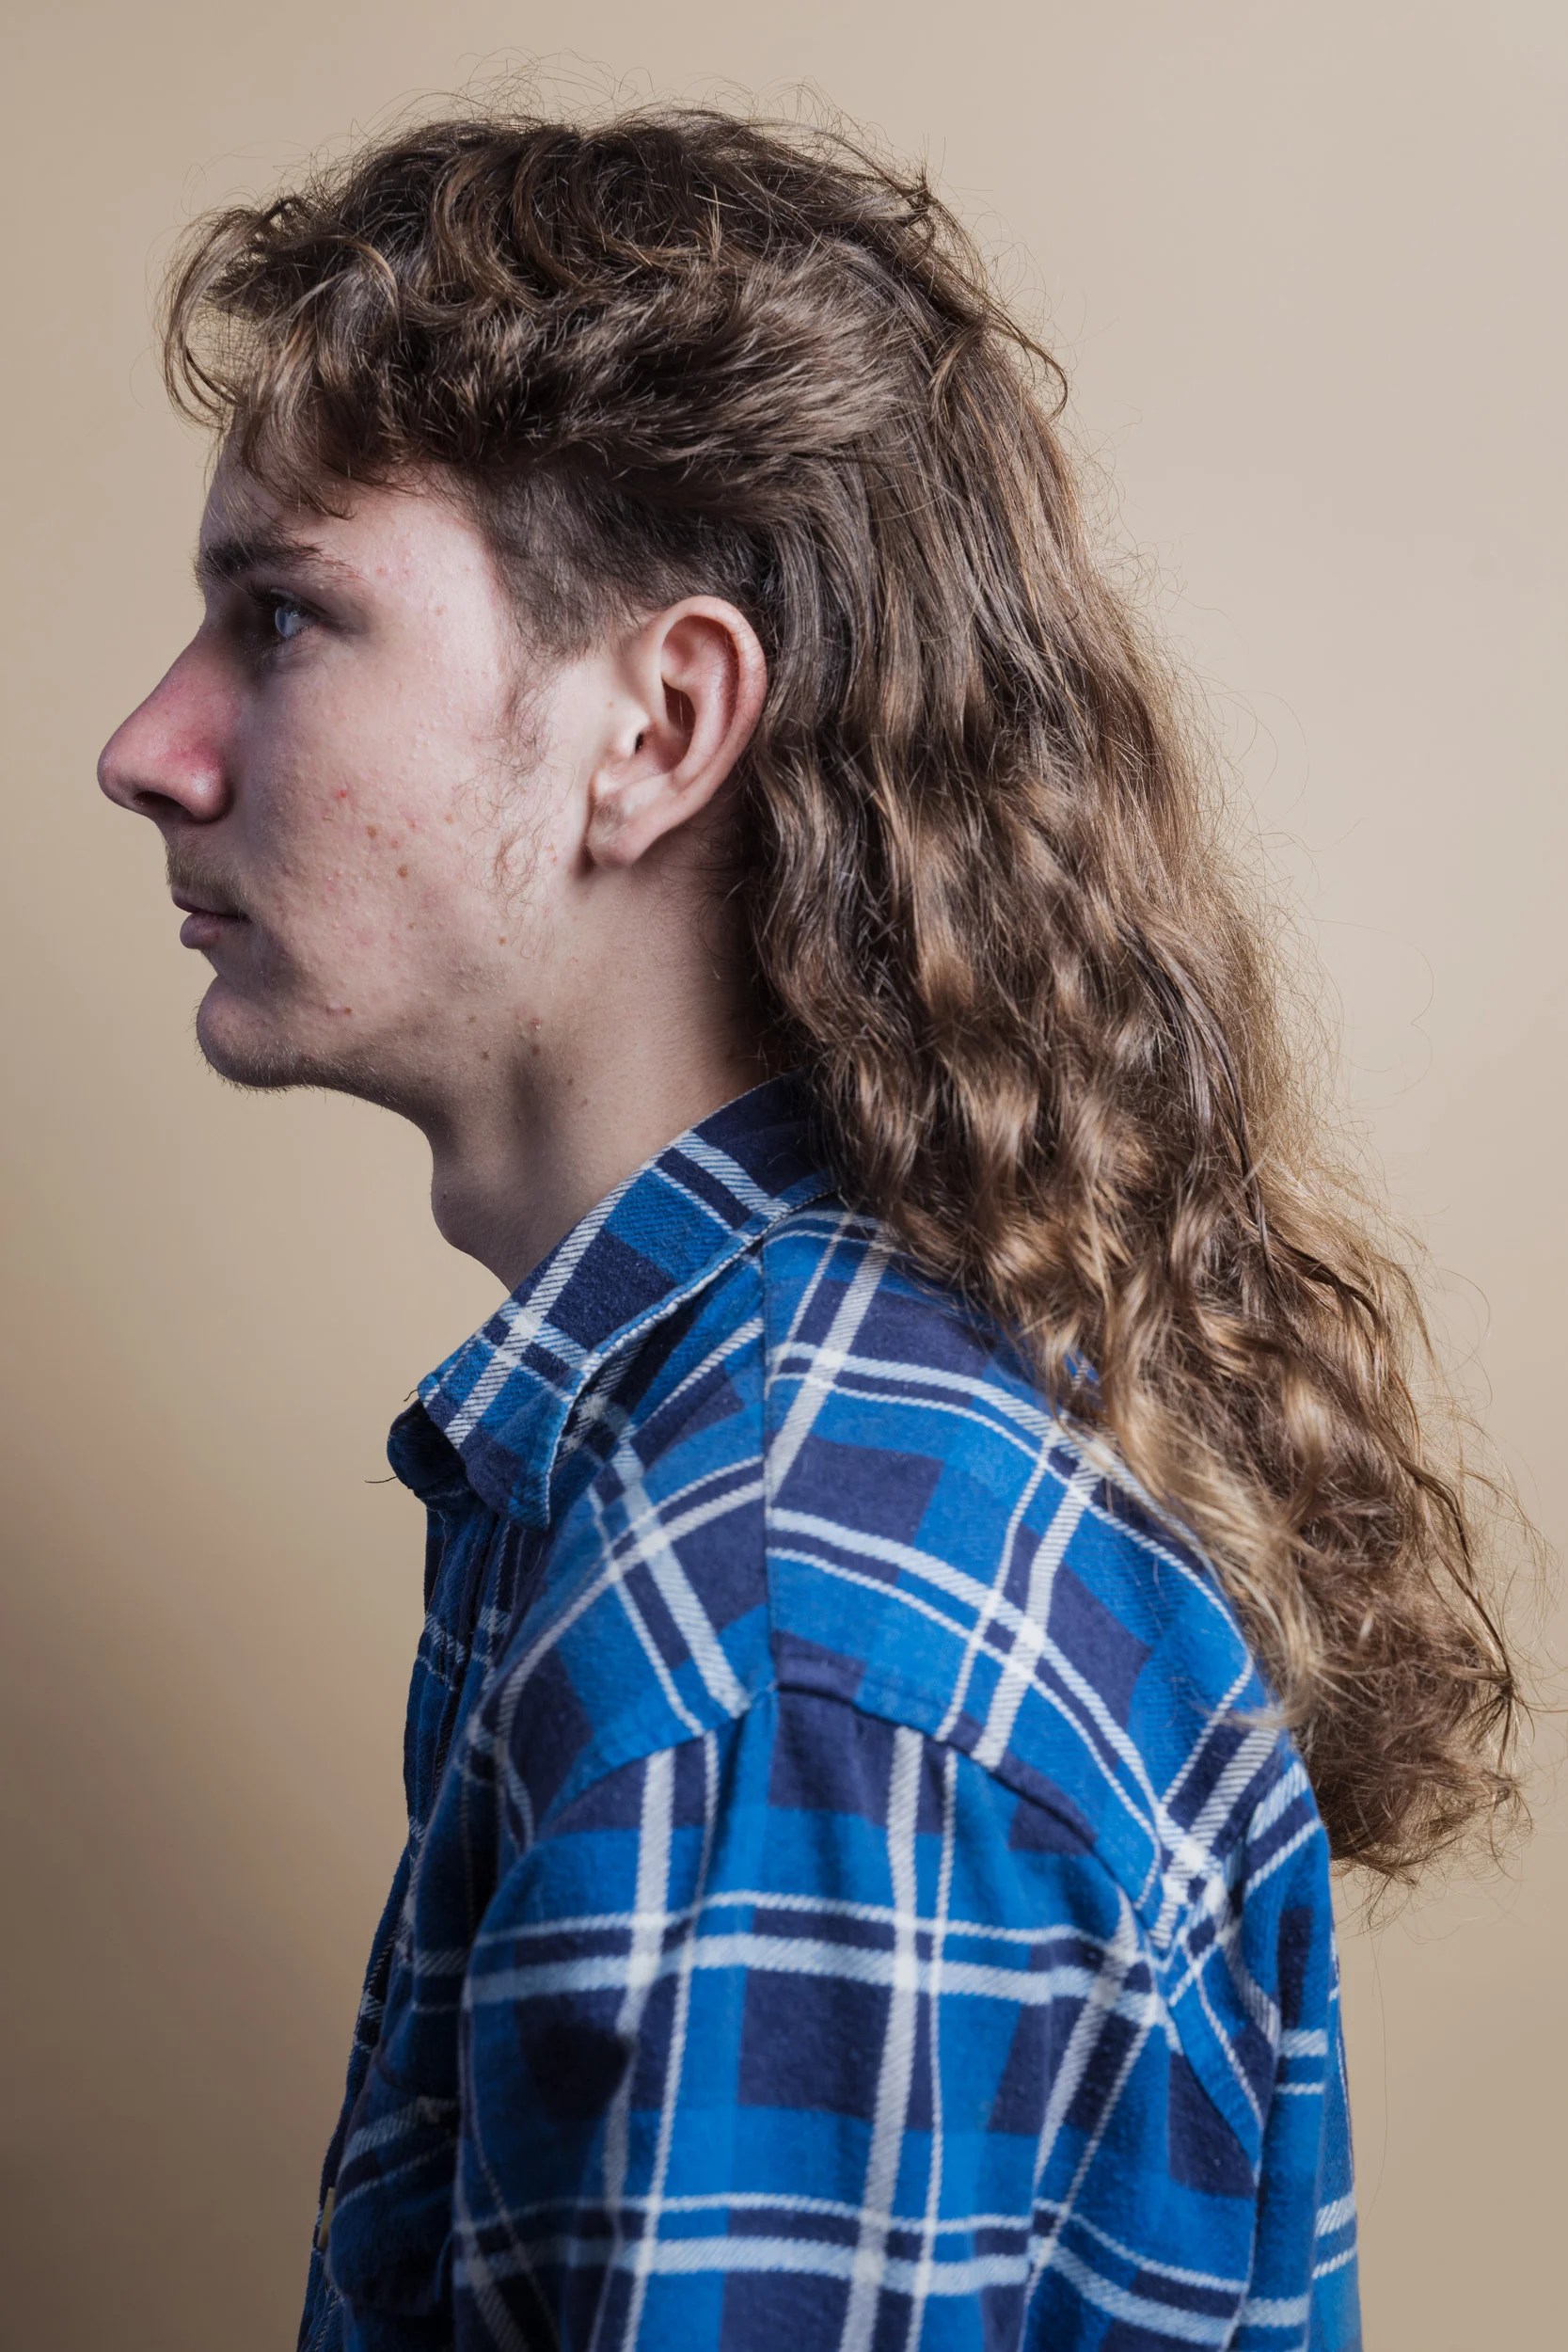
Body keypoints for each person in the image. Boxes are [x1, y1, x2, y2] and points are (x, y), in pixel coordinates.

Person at [96, 101, 1521, 2352]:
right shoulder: (739, 1498)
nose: (148, 747)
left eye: (284, 620)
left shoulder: (778, 1651)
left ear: (657, 724)